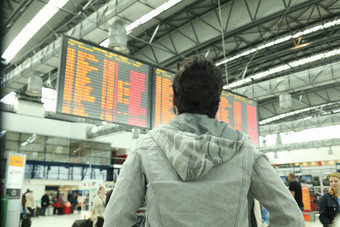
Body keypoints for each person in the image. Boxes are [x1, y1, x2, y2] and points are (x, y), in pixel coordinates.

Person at [104, 56, 305, 227]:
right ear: (218, 102)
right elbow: (291, 218)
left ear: (174, 98)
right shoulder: (245, 151)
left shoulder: (146, 149)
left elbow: (115, 220)